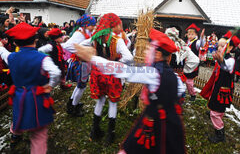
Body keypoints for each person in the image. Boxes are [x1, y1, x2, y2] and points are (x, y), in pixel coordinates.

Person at [74, 28, 186, 153]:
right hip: (171, 124)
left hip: (155, 124)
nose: (145, 51)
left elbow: (123, 70)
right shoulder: (172, 75)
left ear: (158, 54)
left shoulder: (153, 73)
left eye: (149, 49)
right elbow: (180, 94)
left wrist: (92, 58)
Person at [0, 22, 61, 153]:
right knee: (38, 135)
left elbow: (2, 51)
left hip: (19, 95)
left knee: (19, 115)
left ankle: (15, 134)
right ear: (35, 40)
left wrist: (0, 46)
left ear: (15, 43)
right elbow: (56, 73)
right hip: (37, 97)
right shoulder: (43, 58)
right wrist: (50, 86)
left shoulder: (11, 57)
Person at [86, 13, 133, 144]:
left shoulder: (94, 37)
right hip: (111, 74)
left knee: (100, 100)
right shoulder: (116, 40)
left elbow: (87, 49)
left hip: (97, 73)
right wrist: (117, 63)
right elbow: (129, 57)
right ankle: (109, 135)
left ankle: (94, 131)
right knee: (112, 102)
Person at [200, 31, 240, 143]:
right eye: (218, 45)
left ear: (230, 48)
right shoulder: (221, 57)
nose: (219, 48)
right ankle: (216, 113)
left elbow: (227, 67)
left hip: (223, 90)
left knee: (217, 109)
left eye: (222, 46)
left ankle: (220, 133)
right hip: (218, 87)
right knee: (215, 105)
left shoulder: (230, 60)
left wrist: (221, 60)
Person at [62, 14, 96, 117]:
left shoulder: (86, 32)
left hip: (84, 63)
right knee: (82, 86)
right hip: (80, 63)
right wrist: (81, 52)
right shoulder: (79, 34)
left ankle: (72, 103)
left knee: (80, 85)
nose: (93, 27)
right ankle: (74, 108)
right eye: (92, 25)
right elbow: (67, 45)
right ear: (86, 25)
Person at [184, 23, 205, 101]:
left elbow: (202, 44)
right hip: (186, 64)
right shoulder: (187, 42)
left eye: (192, 34)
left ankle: (193, 94)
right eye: (189, 34)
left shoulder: (197, 42)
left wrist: (202, 37)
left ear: (196, 34)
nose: (190, 36)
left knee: (189, 81)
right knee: (184, 79)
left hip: (193, 65)